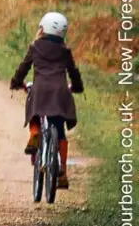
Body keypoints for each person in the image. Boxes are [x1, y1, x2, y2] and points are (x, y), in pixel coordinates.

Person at [9, 11, 84, 189]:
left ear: (43, 28)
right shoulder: (65, 50)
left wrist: (16, 82)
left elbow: (23, 67)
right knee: (60, 131)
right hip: (60, 93)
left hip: (40, 90)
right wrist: (77, 86)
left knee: (35, 111)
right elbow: (73, 72)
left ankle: (35, 133)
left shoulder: (35, 47)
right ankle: (63, 173)